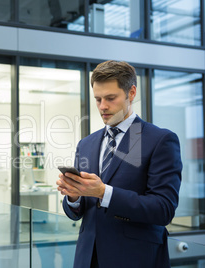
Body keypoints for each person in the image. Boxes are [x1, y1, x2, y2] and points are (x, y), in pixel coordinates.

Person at [56, 60, 182, 268]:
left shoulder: (159, 140)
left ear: (131, 93)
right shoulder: (86, 144)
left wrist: (104, 192)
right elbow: (76, 212)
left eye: (110, 98)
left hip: (135, 259)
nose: (103, 106)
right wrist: (74, 196)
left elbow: (163, 209)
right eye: (97, 99)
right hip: (87, 259)